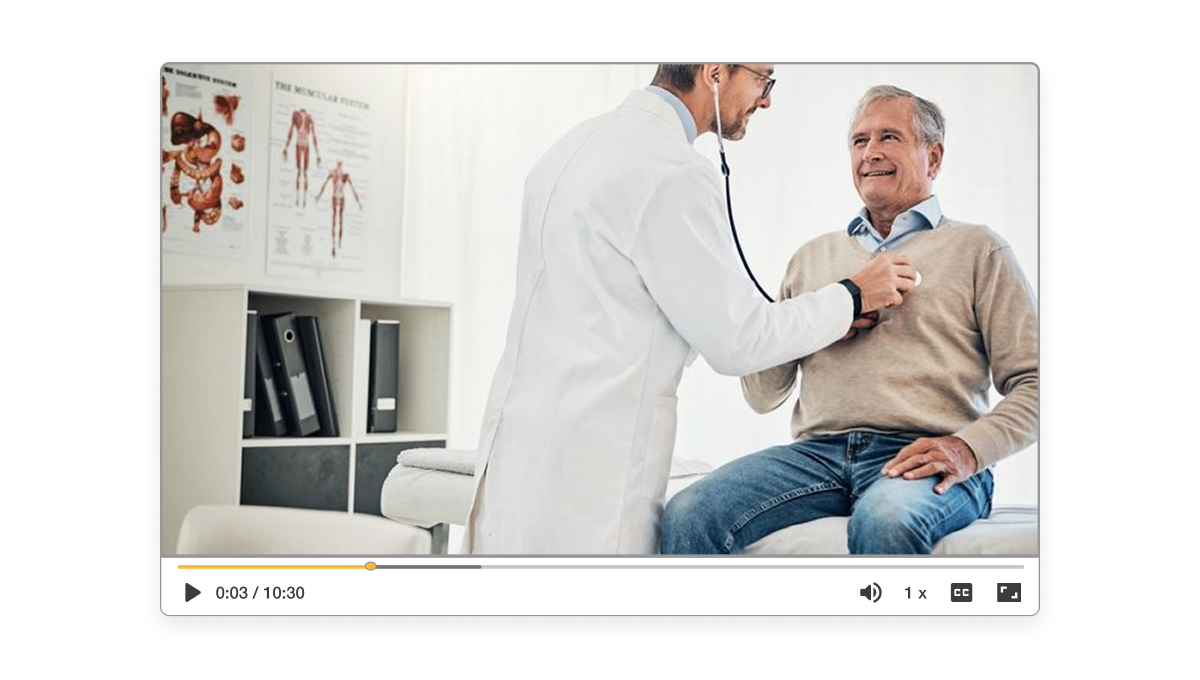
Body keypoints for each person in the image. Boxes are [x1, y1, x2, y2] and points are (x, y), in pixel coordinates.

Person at [464, 65, 917, 554]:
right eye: (763, 78)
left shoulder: (569, 149)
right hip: (592, 462)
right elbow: (737, 340)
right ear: (715, 72)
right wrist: (851, 296)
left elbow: (633, 302)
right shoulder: (672, 171)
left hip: (519, 444)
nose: (765, 100)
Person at [660, 85, 1039, 554]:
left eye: (889, 137)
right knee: (687, 512)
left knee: (886, 520)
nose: (870, 153)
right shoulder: (813, 258)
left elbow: (1037, 383)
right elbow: (762, 394)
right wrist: (827, 314)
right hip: (817, 456)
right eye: (859, 141)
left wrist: (967, 450)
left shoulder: (980, 250)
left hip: (920, 454)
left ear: (933, 157)